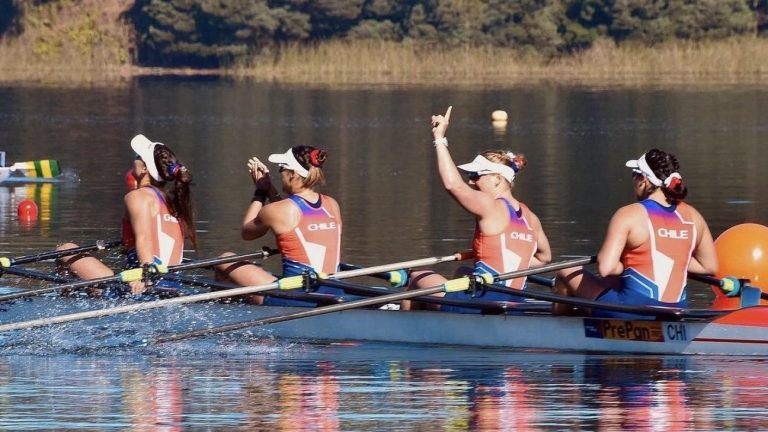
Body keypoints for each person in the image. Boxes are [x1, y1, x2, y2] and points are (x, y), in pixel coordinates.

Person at [401, 106, 551, 312]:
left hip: (483, 304)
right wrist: (502, 251)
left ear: (497, 180)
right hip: (515, 304)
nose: (471, 182)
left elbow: (453, 185)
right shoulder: (530, 217)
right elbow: (545, 259)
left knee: (417, 277)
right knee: (463, 270)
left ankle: (409, 331)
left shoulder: (491, 206)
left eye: (475, 176)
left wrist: (439, 138)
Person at [553, 148, 718, 318]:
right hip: (677, 310)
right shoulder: (694, 217)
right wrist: (671, 257)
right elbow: (709, 266)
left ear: (643, 180)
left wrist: (628, 262)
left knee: (566, 271)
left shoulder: (628, 214)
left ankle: (559, 329)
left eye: (634, 174)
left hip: (632, 310)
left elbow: (606, 267)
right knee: (613, 281)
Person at [57, 134, 196, 296]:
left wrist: (145, 279)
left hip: (143, 287)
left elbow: (144, 239)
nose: (134, 159)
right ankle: (86, 294)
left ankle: (69, 301)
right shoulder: (174, 203)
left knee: (65, 250)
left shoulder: (138, 197)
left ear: (144, 168)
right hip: (174, 285)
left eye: (138, 157)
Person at [215, 146, 343, 306]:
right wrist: (269, 189)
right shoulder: (331, 204)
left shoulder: (280, 210)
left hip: (295, 296)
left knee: (224, 260)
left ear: (293, 174)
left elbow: (247, 232)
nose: (279, 173)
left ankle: (221, 315)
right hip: (335, 289)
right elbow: (291, 216)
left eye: (281, 168)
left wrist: (260, 192)